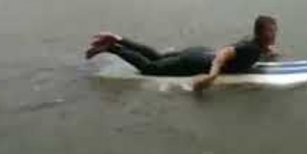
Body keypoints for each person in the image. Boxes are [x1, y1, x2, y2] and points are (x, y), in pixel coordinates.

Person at [86, 16, 278, 94]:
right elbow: (226, 53)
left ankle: (118, 39)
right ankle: (111, 47)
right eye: (271, 31)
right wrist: (212, 75)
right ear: (260, 33)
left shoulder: (255, 44)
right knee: (149, 68)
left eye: (275, 30)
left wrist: (268, 53)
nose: (274, 34)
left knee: (159, 57)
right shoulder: (253, 48)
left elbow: (241, 50)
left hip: (198, 53)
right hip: (195, 63)